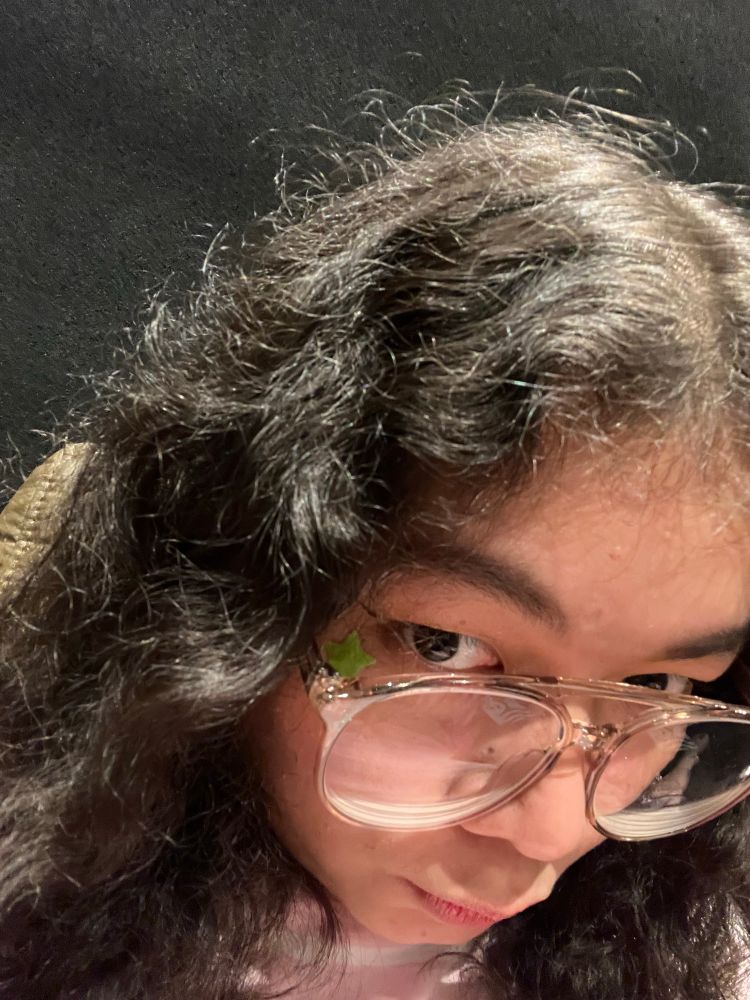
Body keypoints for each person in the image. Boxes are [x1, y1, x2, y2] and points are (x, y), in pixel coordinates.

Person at [2, 89, 750, 1000]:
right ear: (236, 600)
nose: (549, 833)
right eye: (444, 645)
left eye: (658, 686)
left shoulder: (694, 943)